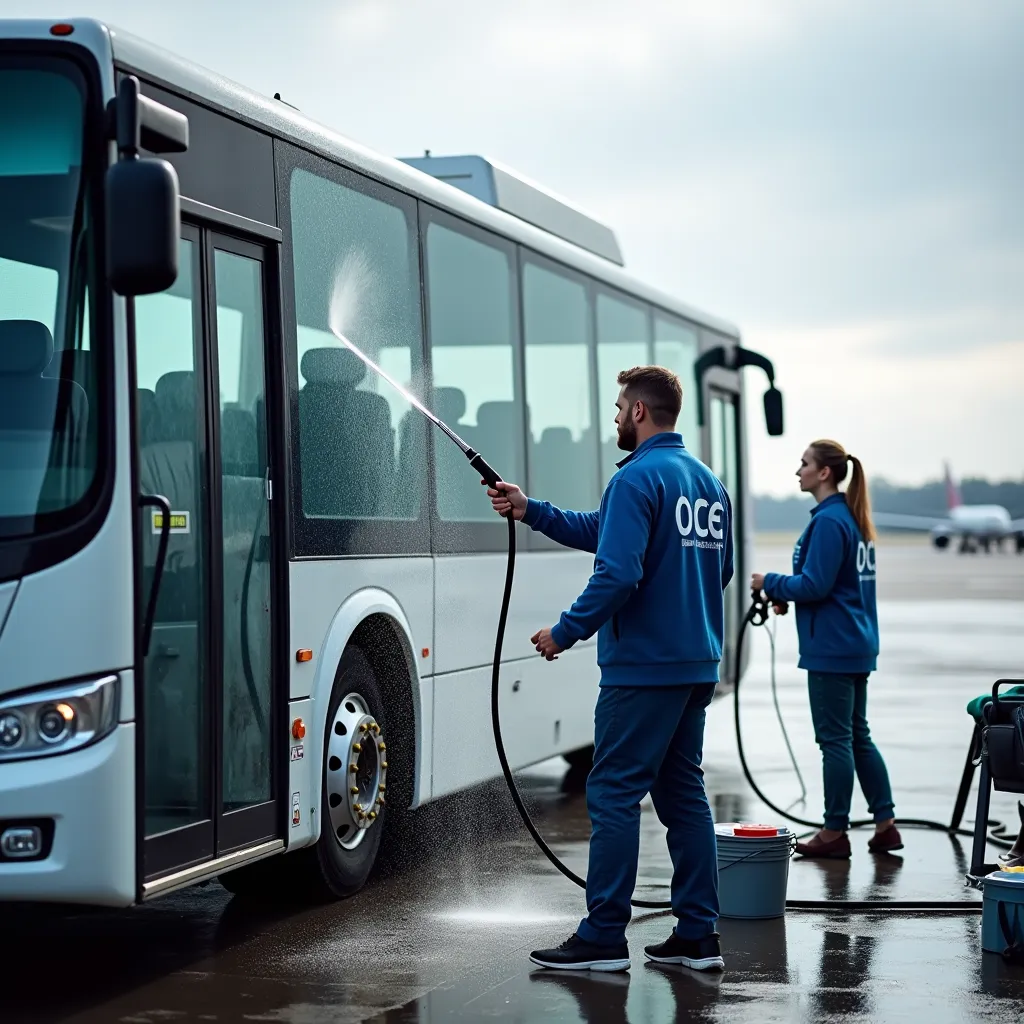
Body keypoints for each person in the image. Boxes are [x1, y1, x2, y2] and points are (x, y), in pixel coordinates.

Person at [486, 365, 733, 973]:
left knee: (614, 792)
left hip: (643, 669)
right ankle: (699, 936)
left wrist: (565, 631)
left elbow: (618, 571)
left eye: (621, 407)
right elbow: (708, 570)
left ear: (641, 413)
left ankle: (602, 938)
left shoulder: (636, 479)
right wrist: (531, 510)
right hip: (694, 663)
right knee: (683, 796)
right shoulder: (706, 483)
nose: (616, 418)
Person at [751, 439, 901, 859]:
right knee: (856, 735)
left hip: (834, 648)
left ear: (824, 473)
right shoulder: (848, 519)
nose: (797, 471)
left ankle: (834, 831)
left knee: (835, 740)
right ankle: (885, 824)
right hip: (854, 641)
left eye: (804, 464)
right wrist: (790, 593)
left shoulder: (831, 522)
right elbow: (828, 585)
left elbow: (815, 585)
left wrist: (772, 583)